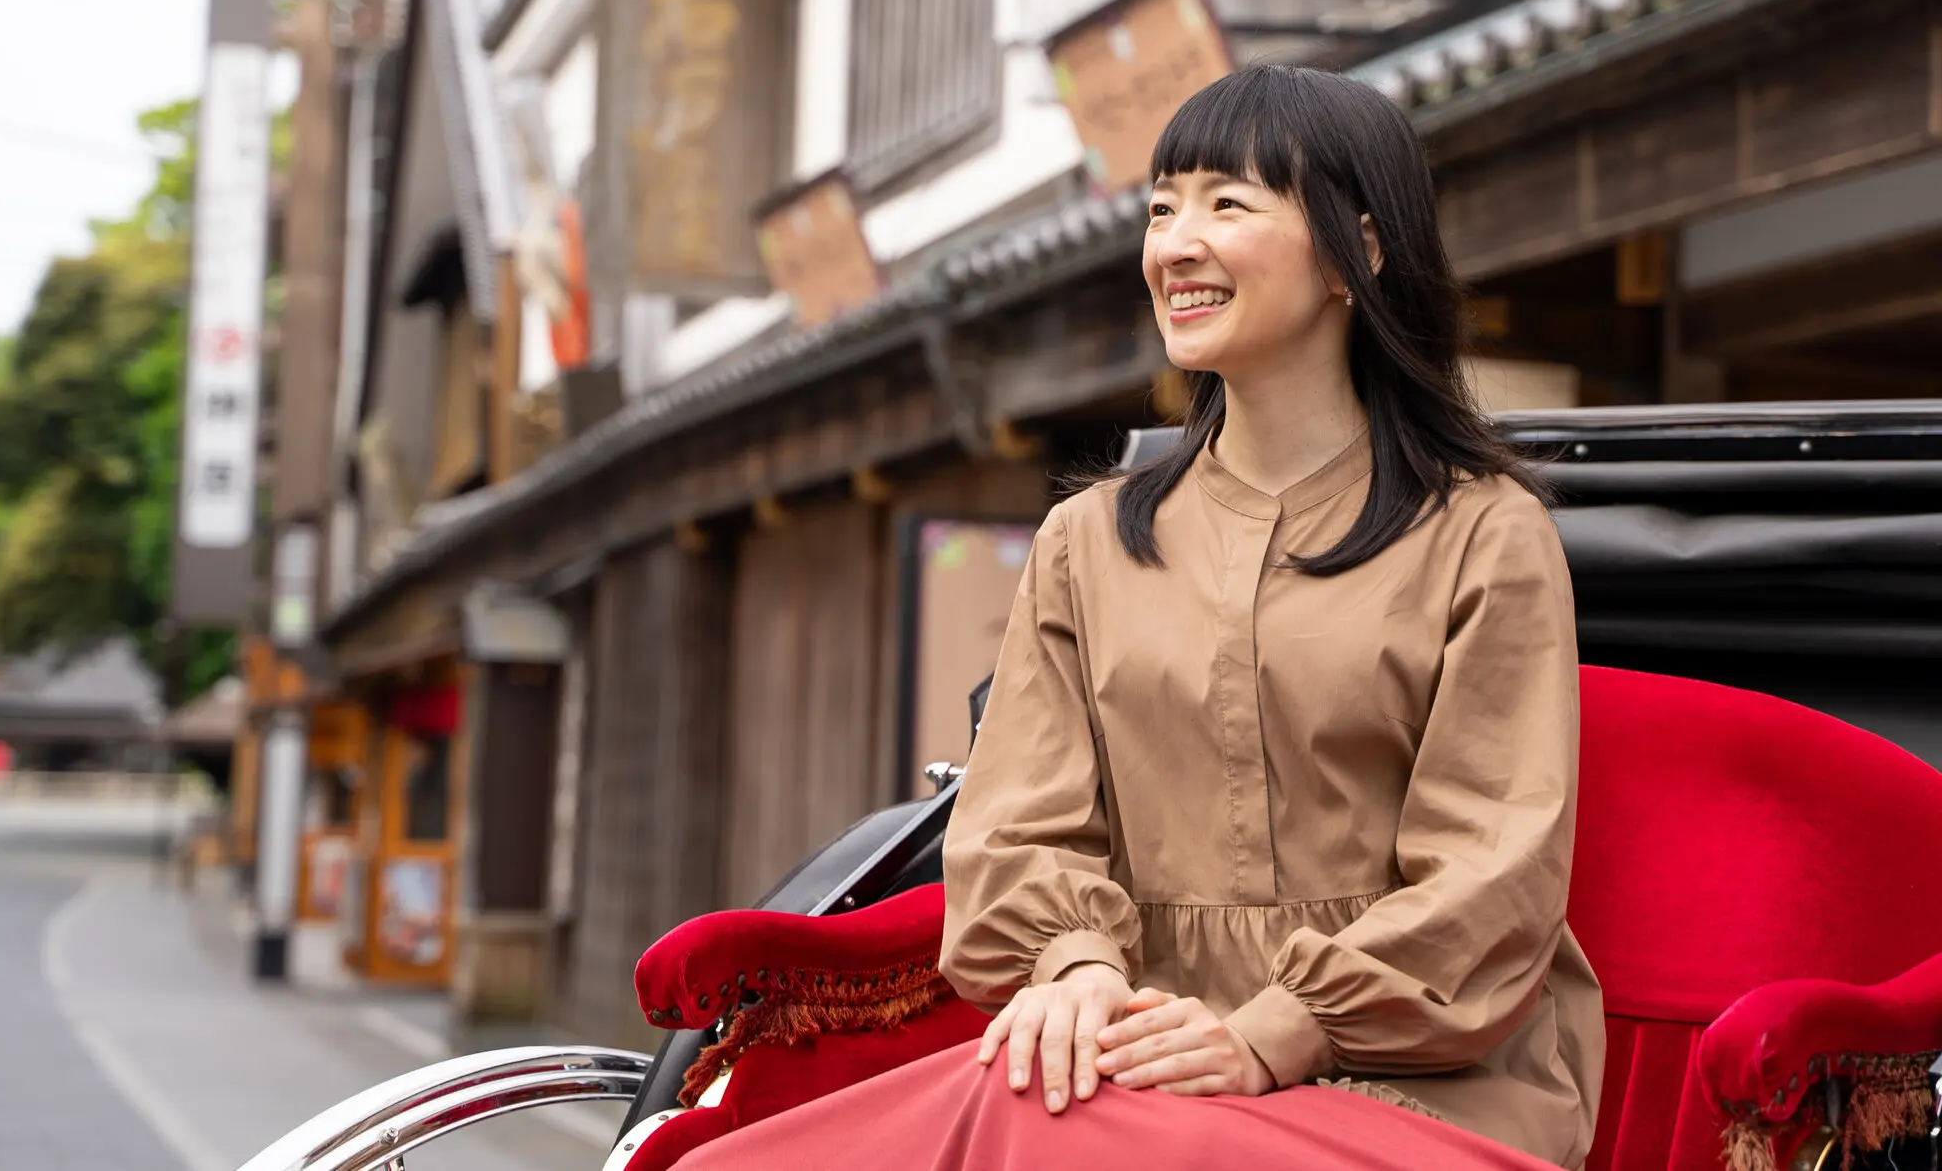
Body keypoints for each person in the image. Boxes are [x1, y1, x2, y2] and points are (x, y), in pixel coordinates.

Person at [677, 64, 1604, 1171]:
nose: (1173, 244)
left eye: (1226, 203)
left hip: (1415, 1082)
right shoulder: (1087, 542)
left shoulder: (1480, 533)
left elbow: (1489, 878)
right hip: (1132, 1056)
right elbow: (1017, 825)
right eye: (1159, 208)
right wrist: (1074, 971)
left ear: (1356, 249)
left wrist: (1269, 1034)